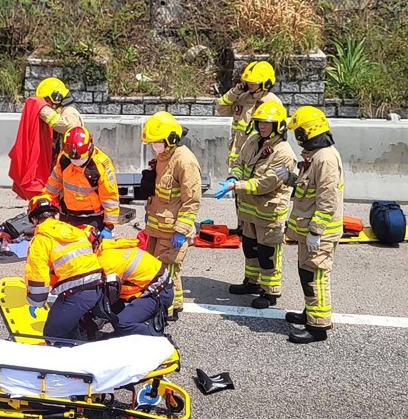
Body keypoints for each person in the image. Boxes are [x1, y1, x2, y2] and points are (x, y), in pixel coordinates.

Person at [214, 101, 297, 309]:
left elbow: (265, 184)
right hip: (250, 209)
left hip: (269, 211)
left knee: (267, 253)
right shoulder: (253, 141)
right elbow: (240, 164)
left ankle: (270, 292)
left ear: (278, 125)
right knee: (250, 248)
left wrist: (235, 186)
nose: (262, 126)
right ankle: (251, 282)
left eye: (267, 123)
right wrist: (234, 176)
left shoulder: (284, 153)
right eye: (259, 122)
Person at [278, 106, 345, 344]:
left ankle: (318, 327)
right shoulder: (317, 156)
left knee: (315, 277)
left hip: (320, 232)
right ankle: (310, 313)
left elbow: (327, 200)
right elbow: (309, 189)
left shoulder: (325, 158)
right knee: (306, 272)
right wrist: (291, 179)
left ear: (309, 131)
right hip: (309, 230)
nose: (298, 138)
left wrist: (316, 232)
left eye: (300, 132)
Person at [140, 111, 201, 321]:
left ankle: (168, 308)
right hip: (157, 226)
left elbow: (191, 200)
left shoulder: (185, 162)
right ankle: (173, 304)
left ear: (171, 139)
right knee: (155, 267)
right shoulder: (163, 156)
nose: (154, 146)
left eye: (156, 142)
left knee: (167, 270)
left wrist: (182, 231)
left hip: (172, 229)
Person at [23, 195, 104, 342]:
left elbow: (37, 275)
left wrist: (36, 301)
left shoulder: (40, 240)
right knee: (68, 328)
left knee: (52, 333)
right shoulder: (74, 230)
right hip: (97, 285)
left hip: (77, 291)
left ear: (34, 220)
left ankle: (72, 361)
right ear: (57, 214)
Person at [41, 126, 119, 234]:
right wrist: (44, 203)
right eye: (72, 159)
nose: (75, 161)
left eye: (80, 158)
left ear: (89, 148)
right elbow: (53, 184)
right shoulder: (64, 158)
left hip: (92, 219)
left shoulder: (101, 165)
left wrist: (109, 226)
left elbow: (110, 197)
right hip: (68, 215)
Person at [94, 240, 173, 337]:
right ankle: (124, 333)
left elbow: (98, 294)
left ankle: (159, 338)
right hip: (155, 285)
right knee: (108, 303)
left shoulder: (106, 265)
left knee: (122, 322)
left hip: (158, 294)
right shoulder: (105, 248)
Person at [217, 60, 282, 168]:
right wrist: (234, 93)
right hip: (236, 161)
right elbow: (221, 109)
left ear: (266, 83)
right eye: (248, 82)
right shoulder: (242, 97)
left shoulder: (272, 102)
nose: (249, 85)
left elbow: (276, 134)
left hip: (254, 160)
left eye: (253, 83)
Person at [35, 76, 84, 153]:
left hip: (71, 161)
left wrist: (43, 110)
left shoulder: (70, 111)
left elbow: (66, 126)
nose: (44, 103)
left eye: (46, 100)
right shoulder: (58, 112)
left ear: (56, 98)